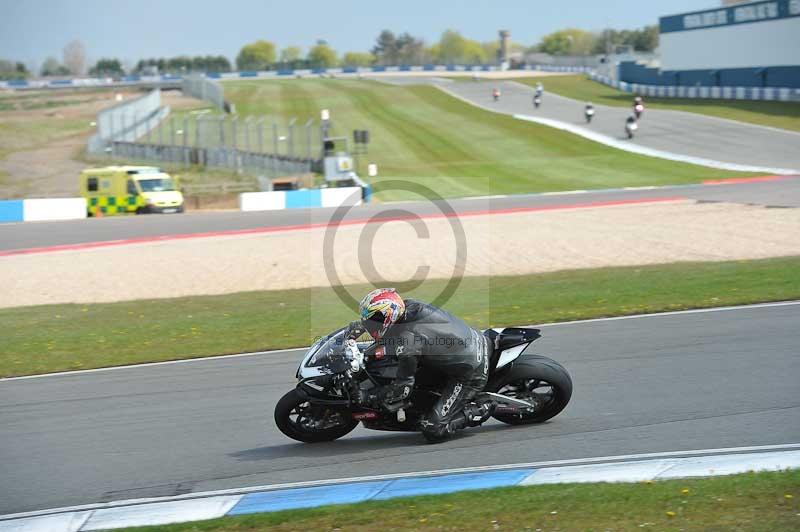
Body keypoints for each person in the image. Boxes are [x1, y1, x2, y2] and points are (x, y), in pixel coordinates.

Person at [346, 288, 494, 442]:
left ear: (388, 315)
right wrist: (360, 326)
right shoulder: (409, 306)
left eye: (374, 319)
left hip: (471, 372)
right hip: (473, 341)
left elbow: (403, 390)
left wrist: (369, 396)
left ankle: (481, 408)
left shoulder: (408, 343)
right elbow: (390, 330)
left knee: (433, 429)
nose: (371, 324)